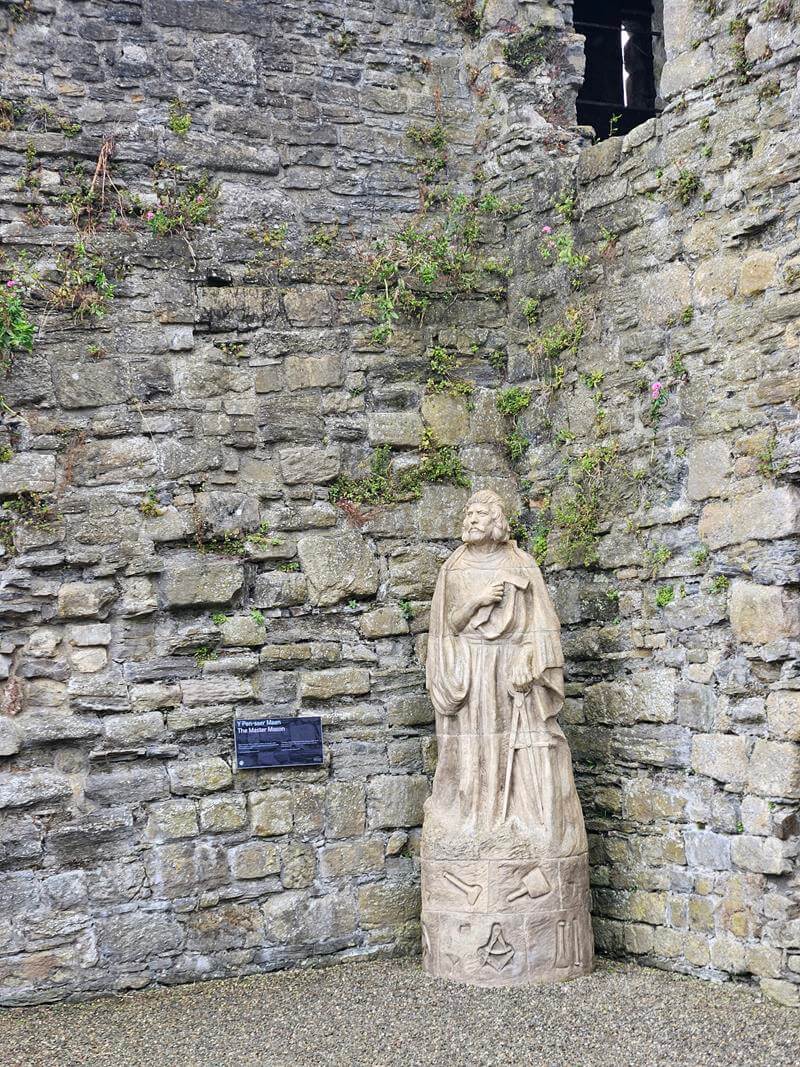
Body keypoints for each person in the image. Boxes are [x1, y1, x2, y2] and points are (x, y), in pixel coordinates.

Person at [425, 489, 587, 857]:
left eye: (478, 515)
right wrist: (478, 600)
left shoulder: (521, 564)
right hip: (471, 667)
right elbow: (448, 624)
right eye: (468, 514)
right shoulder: (454, 568)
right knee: (472, 749)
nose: (470, 520)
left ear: (496, 521)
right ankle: (473, 823)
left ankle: (518, 823)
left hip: (513, 672)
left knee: (523, 745)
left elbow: (543, 627)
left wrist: (528, 661)